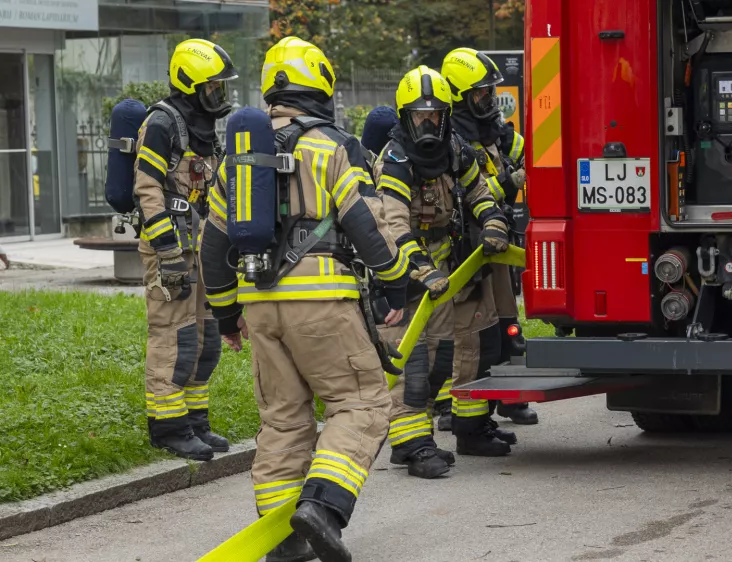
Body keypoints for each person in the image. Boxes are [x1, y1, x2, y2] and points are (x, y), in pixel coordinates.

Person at [200, 36, 412, 562]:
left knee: (283, 420)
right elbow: (365, 225)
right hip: (322, 303)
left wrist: (228, 315)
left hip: (260, 307)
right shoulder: (335, 146)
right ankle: (323, 507)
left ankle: (282, 539)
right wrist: (396, 282)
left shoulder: (239, 158)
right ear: (319, 85)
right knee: (361, 403)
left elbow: (211, 248)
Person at [372, 65, 510, 473]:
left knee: (446, 357)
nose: (428, 124)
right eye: (420, 117)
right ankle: (412, 446)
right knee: (413, 361)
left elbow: (481, 192)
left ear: (446, 115)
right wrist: (420, 269)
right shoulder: (395, 159)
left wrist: (494, 223)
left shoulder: (455, 147)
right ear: (405, 118)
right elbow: (394, 225)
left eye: (435, 116)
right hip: (406, 274)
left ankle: (434, 435)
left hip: (447, 266)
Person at [135, 38, 236, 461]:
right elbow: (147, 188)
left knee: (203, 338)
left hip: (200, 249)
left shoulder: (204, 127)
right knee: (172, 337)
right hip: (170, 250)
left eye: (221, 88)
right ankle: (168, 427)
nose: (219, 95)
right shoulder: (161, 124)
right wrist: (167, 249)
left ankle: (195, 420)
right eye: (212, 88)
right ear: (188, 84)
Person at [439, 48, 538, 428]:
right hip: (470, 249)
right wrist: (505, 182)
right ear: (460, 96)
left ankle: (510, 399)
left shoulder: (495, 134)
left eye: (490, 92)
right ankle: (458, 407)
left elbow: (531, 152)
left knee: (508, 328)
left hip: (500, 244)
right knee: (475, 335)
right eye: (481, 94)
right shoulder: (452, 142)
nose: (489, 100)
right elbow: (463, 198)